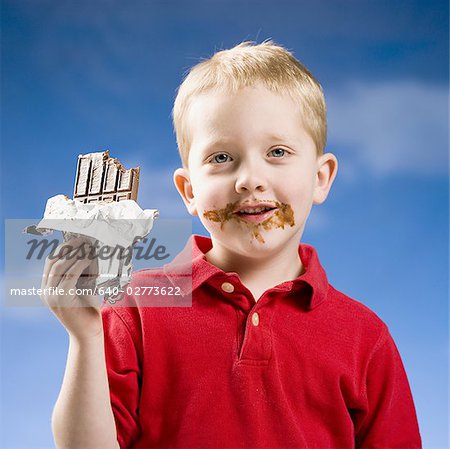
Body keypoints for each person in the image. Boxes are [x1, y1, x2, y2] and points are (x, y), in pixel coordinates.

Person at [43, 40, 422, 448]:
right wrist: (85, 337)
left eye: (277, 152)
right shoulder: (134, 307)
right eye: (222, 158)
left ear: (320, 177)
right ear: (189, 190)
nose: (249, 179)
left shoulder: (365, 337)